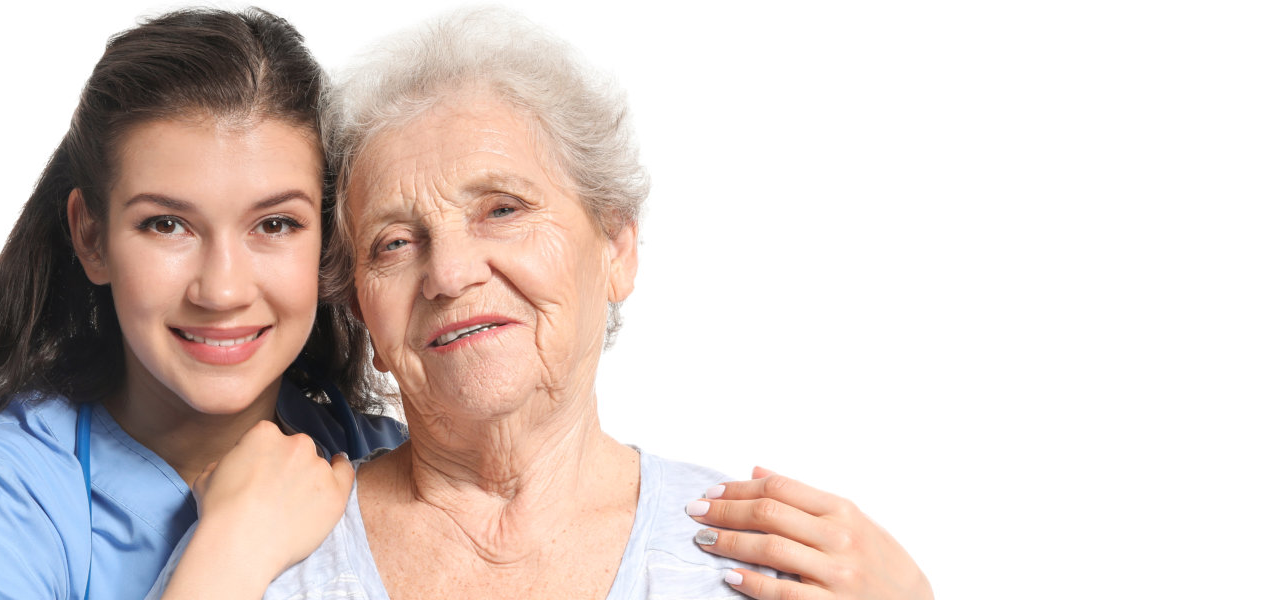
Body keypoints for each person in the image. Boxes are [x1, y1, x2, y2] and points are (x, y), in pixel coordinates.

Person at [150, 7, 932, 599]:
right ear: (361, 313)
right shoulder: (259, 553)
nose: (450, 272)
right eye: (394, 242)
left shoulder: (762, 560)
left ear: (617, 249)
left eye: (502, 209)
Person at [0, 8, 407, 600]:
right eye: (167, 224)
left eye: (274, 223)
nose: (222, 291)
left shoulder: (391, 461)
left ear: (328, 239)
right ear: (91, 237)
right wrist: (234, 548)